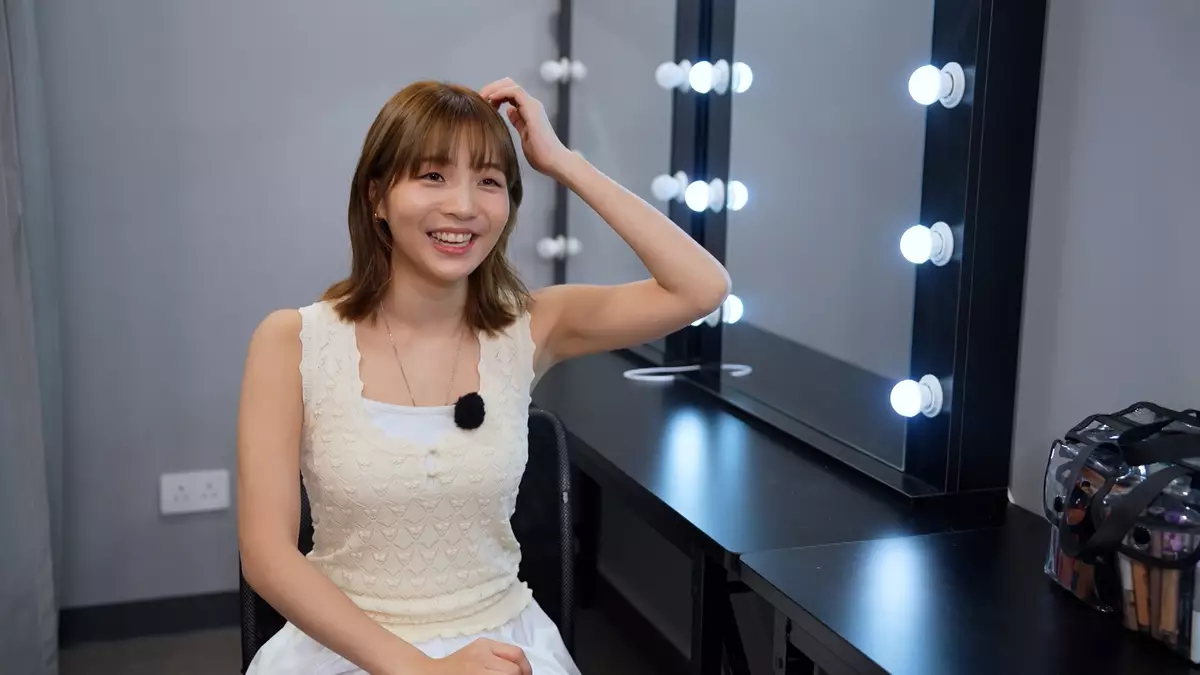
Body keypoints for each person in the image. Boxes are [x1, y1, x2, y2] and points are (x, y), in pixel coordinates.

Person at [237, 77, 730, 675]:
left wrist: (562, 161)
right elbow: (266, 554)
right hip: (347, 646)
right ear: (377, 197)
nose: (464, 206)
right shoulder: (292, 340)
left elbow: (702, 288)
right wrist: (421, 670)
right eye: (433, 175)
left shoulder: (533, 326)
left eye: (490, 181)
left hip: (501, 645)